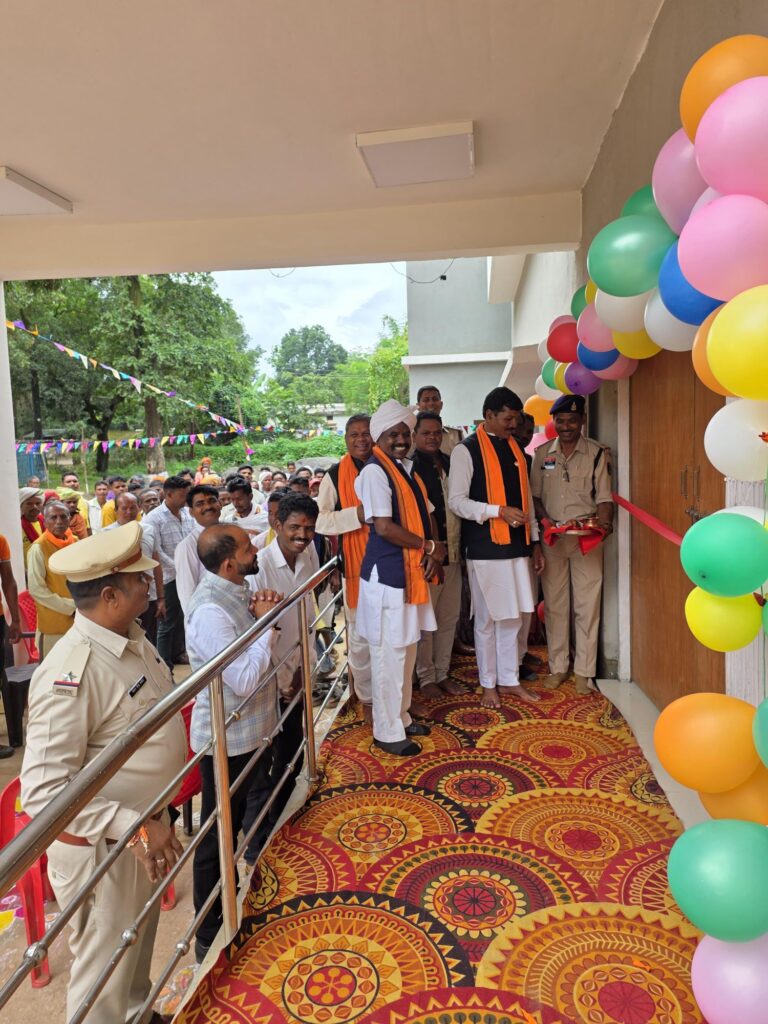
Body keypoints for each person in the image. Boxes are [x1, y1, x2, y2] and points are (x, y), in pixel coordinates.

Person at [21, 522, 186, 1024]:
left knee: (134, 948)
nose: (149, 584)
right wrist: (134, 827)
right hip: (107, 846)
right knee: (104, 970)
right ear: (110, 596)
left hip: (143, 832)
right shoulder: (70, 672)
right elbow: (43, 793)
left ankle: (138, 1013)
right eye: (138, 579)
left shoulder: (130, 637)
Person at [186, 525, 282, 961]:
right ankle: (209, 930)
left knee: (236, 819)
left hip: (248, 732)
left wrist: (262, 612)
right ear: (229, 564)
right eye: (247, 548)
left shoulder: (236, 587)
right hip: (227, 738)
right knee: (218, 833)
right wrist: (267, 624)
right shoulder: (209, 610)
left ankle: (234, 896)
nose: (255, 549)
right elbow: (241, 680)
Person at [448, 387, 544, 708]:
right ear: (489, 415)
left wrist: (535, 542)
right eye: (508, 419)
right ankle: (488, 683)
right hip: (485, 549)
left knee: (514, 618)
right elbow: (457, 502)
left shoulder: (516, 450)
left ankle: (509, 679)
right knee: (488, 620)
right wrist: (497, 511)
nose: (514, 425)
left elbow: (527, 500)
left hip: (518, 547)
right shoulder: (466, 450)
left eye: (516, 419)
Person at [355, 399, 441, 756]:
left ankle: (401, 717)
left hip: (408, 573)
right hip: (387, 577)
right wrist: (429, 547)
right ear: (380, 437)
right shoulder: (375, 472)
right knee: (388, 656)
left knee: (405, 650)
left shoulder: (406, 470)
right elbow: (385, 527)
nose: (401, 440)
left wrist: (431, 551)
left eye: (406, 433)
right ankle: (387, 731)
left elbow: (425, 515)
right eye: (394, 434)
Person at [531, 394, 614, 695]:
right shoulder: (542, 454)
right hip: (553, 539)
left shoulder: (596, 453)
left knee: (587, 605)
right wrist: (546, 523)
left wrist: (602, 527)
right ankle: (558, 667)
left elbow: (604, 497)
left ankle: (584, 671)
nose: (566, 427)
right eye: (561, 421)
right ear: (554, 422)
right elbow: (535, 497)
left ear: (582, 421)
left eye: (572, 421)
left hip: (585, 541)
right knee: (555, 605)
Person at [251, 493, 319, 838]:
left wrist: (304, 671)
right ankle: (263, 832)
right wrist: (282, 683)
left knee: (293, 748)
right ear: (277, 525)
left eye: (309, 528)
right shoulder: (260, 567)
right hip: (269, 681)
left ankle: (284, 818)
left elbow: (307, 618)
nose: (302, 535)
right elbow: (257, 632)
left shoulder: (308, 556)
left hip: (298, 671)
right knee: (266, 759)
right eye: (294, 527)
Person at [316, 415, 374, 722]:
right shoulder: (335, 475)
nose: (361, 439)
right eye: (354, 435)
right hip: (357, 567)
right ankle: (367, 699)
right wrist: (357, 515)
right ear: (346, 439)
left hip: (394, 565)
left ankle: (396, 696)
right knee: (361, 639)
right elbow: (321, 520)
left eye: (366, 433)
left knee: (395, 636)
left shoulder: (390, 466)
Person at [411, 412, 465, 698]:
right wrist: (429, 549)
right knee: (426, 621)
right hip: (428, 557)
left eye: (437, 433)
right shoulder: (410, 468)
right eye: (426, 433)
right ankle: (426, 676)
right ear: (415, 436)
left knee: (449, 617)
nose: (432, 437)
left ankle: (442, 673)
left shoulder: (450, 462)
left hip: (455, 553)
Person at [142, 476, 194, 669]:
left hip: (188, 574)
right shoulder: (154, 518)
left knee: (184, 617)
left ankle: (178, 653)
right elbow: (157, 552)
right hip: (168, 577)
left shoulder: (187, 513)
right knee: (167, 622)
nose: (186, 499)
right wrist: (180, 565)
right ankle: (164, 665)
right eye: (183, 495)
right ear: (169, 495)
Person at [27, 501, 78, 657]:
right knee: (54, 670)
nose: (59, 521)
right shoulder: (38, 548)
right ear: (44, 521)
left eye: (63, 516)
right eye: (53, 517)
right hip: (54, 625)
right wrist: (71, 607)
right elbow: (37, 590)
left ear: (69, 518)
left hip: (79, 621)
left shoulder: (76, 542)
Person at [175, 485, 222, 613]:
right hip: (209, 615)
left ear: (220, 504)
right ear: (191, 512)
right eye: (200, 504)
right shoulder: (187, 546)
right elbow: (187, 594)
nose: (208, 507)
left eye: (212, 501)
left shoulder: (232, 533)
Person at [417, 385, 464, 455]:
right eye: (426, 400)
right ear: (418, 406)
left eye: (435, 399)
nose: (431, 403)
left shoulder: (457, 435)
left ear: (441, 404)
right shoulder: (408, 436)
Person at [20, 487, 45, 563]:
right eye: (29, 503)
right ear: (21, 505)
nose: (34, 506)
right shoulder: (17, 526)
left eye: (38, 503)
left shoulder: (48, 523)